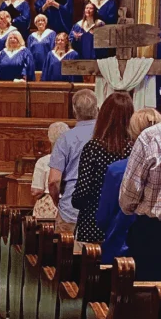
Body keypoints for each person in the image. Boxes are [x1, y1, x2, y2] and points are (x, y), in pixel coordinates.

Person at [119, 75, 161, 281]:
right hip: (154, 235)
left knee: (150, 304)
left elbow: (127, 198)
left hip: (155, 237)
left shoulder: (152, 137)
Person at [97, 108, 161, 264]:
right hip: (159, 246)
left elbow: (102, 217)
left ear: (132, 135)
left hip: (121, 248)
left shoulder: (117, 171)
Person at [71, 92, 133, 252]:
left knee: (86, 274)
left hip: (91, 226)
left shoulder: (93, 148)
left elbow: (82, 191)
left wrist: (75, 202)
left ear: (103, 115)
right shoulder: (133, 149)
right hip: (122, 228)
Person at [48, 89, 98, 234]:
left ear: (74, 111)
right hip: (100, 212)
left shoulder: (65, 139)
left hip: (70, 210)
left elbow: (53, 181)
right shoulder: (106, 136)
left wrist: (58, 202)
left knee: (65, 256)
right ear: (97, 109)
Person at [31, 122, 69, 218]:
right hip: (69, 204)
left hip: (49, 206)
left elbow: (36, 191)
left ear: (49, 138)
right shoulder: (74, 159)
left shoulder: (43, 161)